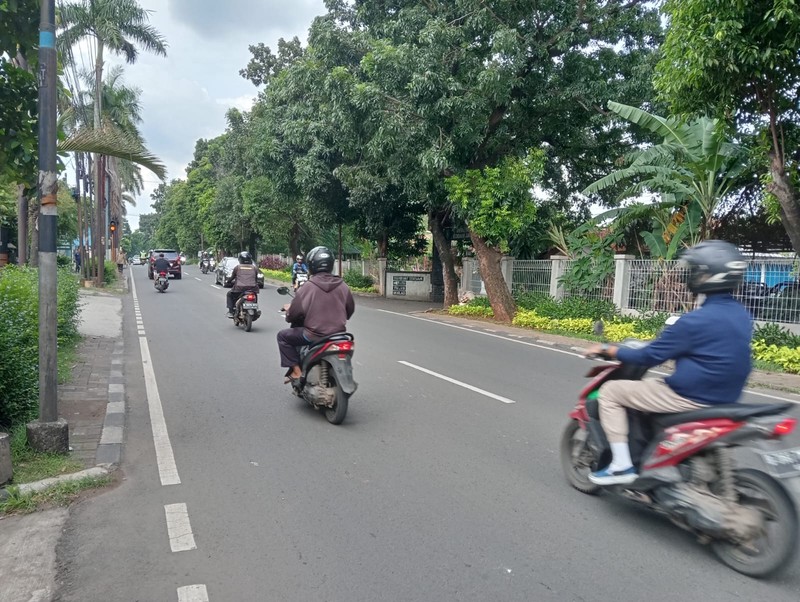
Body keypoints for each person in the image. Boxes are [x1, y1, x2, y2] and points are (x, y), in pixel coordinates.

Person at [583, 240, 752, 485]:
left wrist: (609, 349)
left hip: (688, 396)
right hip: (725, 398)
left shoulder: (694, 321)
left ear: (707, 276)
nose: (691, 275)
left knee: (610, 392)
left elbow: (648, 356)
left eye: (697, 270)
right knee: (651, 384)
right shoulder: (741, 315)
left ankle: (621, 465)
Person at [277, 246, 355, 382]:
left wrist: (289, 313)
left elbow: (293, 315)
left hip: (314, 335)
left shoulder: (308, 286)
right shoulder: (343, 285)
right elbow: (350, 310)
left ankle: (296, 371)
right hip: (339, 334)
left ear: (311, 266)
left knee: (283, 336)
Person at [226, 251, 260, 318]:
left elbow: (232, 277)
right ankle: (255, 310)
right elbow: (255, 279)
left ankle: (230, 311)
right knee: (255, 297)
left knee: (229, 294)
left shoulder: (237, 267)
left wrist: (228, 282)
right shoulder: (254, 268)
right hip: (252, 289)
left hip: (239, 289)